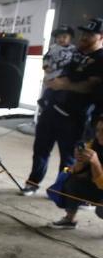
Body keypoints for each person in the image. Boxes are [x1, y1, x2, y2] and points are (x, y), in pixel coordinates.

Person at [23, 18, 103, 195]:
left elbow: (90, 86)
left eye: (90, 34)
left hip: (73, 116)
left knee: (68, 157)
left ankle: (62, 189)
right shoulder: (75, 53)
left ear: (100, 37)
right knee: (40, 149)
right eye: (83, 33)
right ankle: (33, 182)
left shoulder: (100, 58)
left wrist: (64, 85)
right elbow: (56, 68)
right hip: (51, 108)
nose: (84, 37)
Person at [49, 116, 103, 229]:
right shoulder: (93, 144)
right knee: (69, 179)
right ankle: (69, 219)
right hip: (98, 186)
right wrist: (79, 161)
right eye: (98, 130)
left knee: (101, 210)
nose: (99, 135)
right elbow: (74, 171)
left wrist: (96, 163)